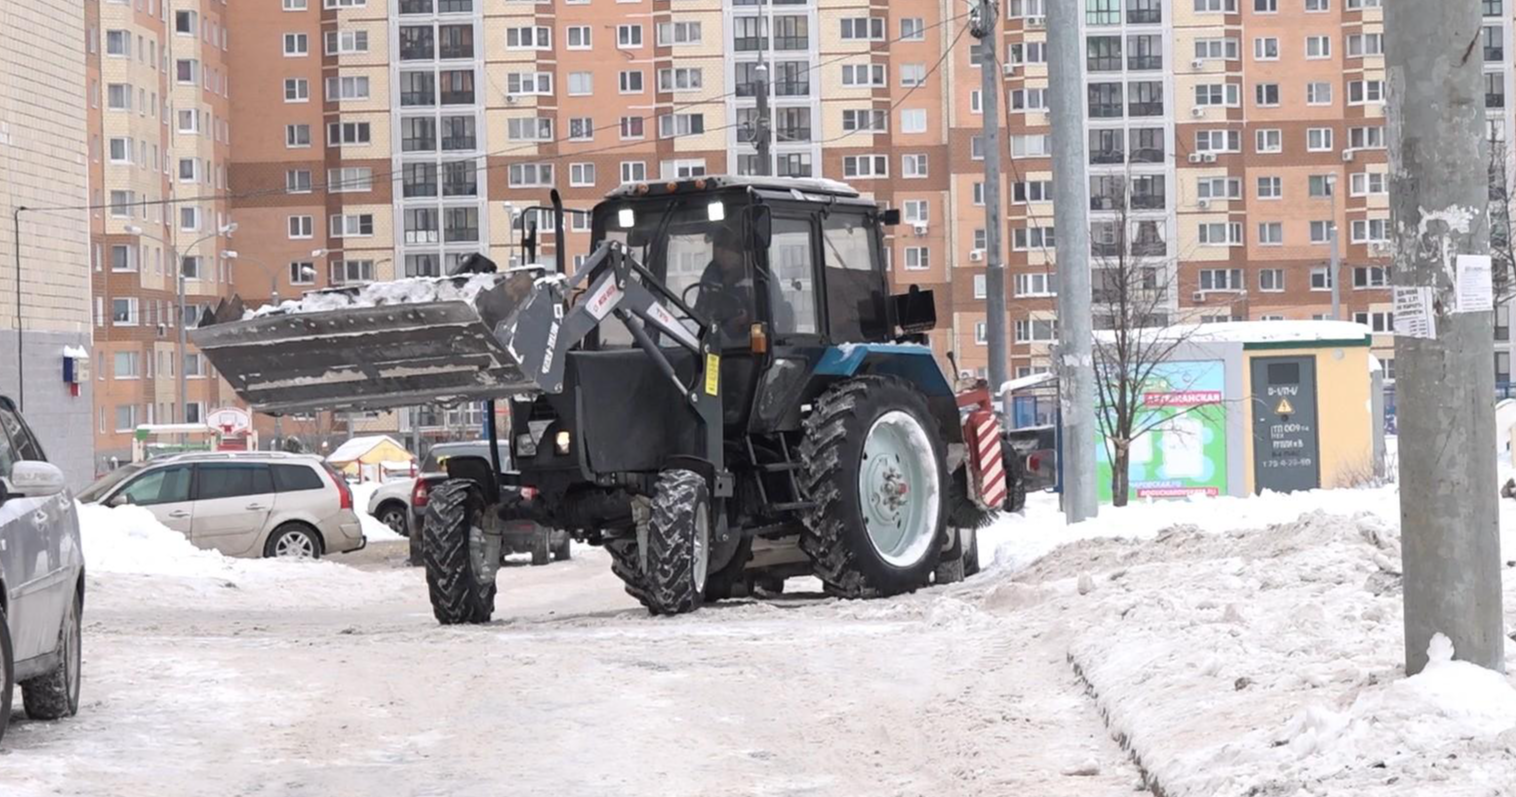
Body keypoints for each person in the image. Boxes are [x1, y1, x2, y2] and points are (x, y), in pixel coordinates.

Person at [693, 232, 755, 341]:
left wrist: (749, 318)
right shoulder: (711, 275)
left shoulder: (760, 276)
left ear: (740, 253)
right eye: (717, 249)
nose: (719, 256)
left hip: (753, 345)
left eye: (724, 250)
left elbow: (774, 317)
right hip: (714, 343)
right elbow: (700, 312)